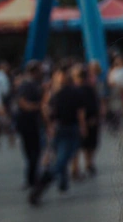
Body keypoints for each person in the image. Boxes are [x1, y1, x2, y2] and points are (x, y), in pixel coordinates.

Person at [29, 68, 85, 204]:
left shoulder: (54, 93)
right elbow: (80, 112)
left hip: (58, 127)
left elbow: (46, 109)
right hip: (70, 128)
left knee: (61, 156)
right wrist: (83, 127)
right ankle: (46, 179)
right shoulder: (75, 92)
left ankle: (63, 185)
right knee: (63, 159)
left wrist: (49, 124)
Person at [13, 64, 45, 190]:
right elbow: (22, 103)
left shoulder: (35, 84)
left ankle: (32, 177)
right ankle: (31, 178)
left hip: (32, 123)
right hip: (27, 122)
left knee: (34, 152)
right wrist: (38, 107)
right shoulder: (27, 85)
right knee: (33, 152)